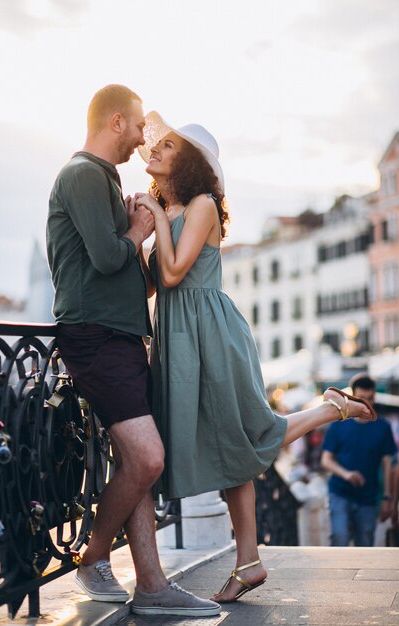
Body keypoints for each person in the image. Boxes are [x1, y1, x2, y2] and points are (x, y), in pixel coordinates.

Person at [133, 111, 377, 603]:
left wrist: (156, 219)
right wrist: (139, 233)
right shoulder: (174, 208)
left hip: (210, 334)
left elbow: (177, 273)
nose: (155, 149)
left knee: (242, 438)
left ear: (193, 163)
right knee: (232, 446)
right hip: (179, 338)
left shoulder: (202, 203)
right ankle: (249, 561)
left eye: (169, 146)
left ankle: (329, 410)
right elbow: (154, 283)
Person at [46, 85, 220, 617]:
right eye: (140, 125)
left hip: (120, 334)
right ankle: (92, 557)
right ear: (116, 121)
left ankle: (152, 584)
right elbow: (104, 257)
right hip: (95, 336)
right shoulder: (81, 175)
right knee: (147, 458)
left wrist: (140, 239)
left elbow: (130, 276)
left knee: (134, 463)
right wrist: (140, 231)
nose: (145, 137)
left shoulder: (106, 178)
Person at [321, 373, 397, 547]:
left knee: (365, 545)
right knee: (339, 538)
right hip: (340, 492)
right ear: (352, 397)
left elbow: (388, 465)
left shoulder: (383, 427)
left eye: (370, 398)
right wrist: (346, 474)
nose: (367, 404)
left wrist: (387, 498)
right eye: (362, 398)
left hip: (368, 497)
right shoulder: (338, 424)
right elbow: (326, 460)